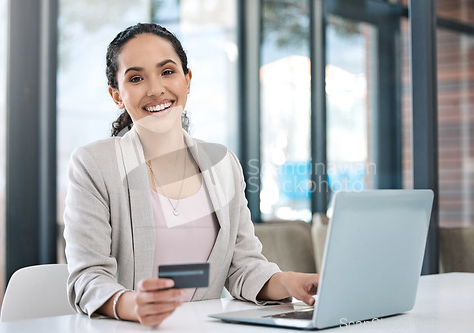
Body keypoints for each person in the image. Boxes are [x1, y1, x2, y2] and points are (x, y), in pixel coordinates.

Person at [63, 22, 319, 328]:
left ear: (187, 80)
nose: (155, 88)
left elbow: (243, 267)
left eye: (167, 71)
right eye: (136, 78)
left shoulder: (223, 165)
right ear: (116, 95)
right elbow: (88, 276)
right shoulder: (94, 164)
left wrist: (289, 282)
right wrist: (134, 305)